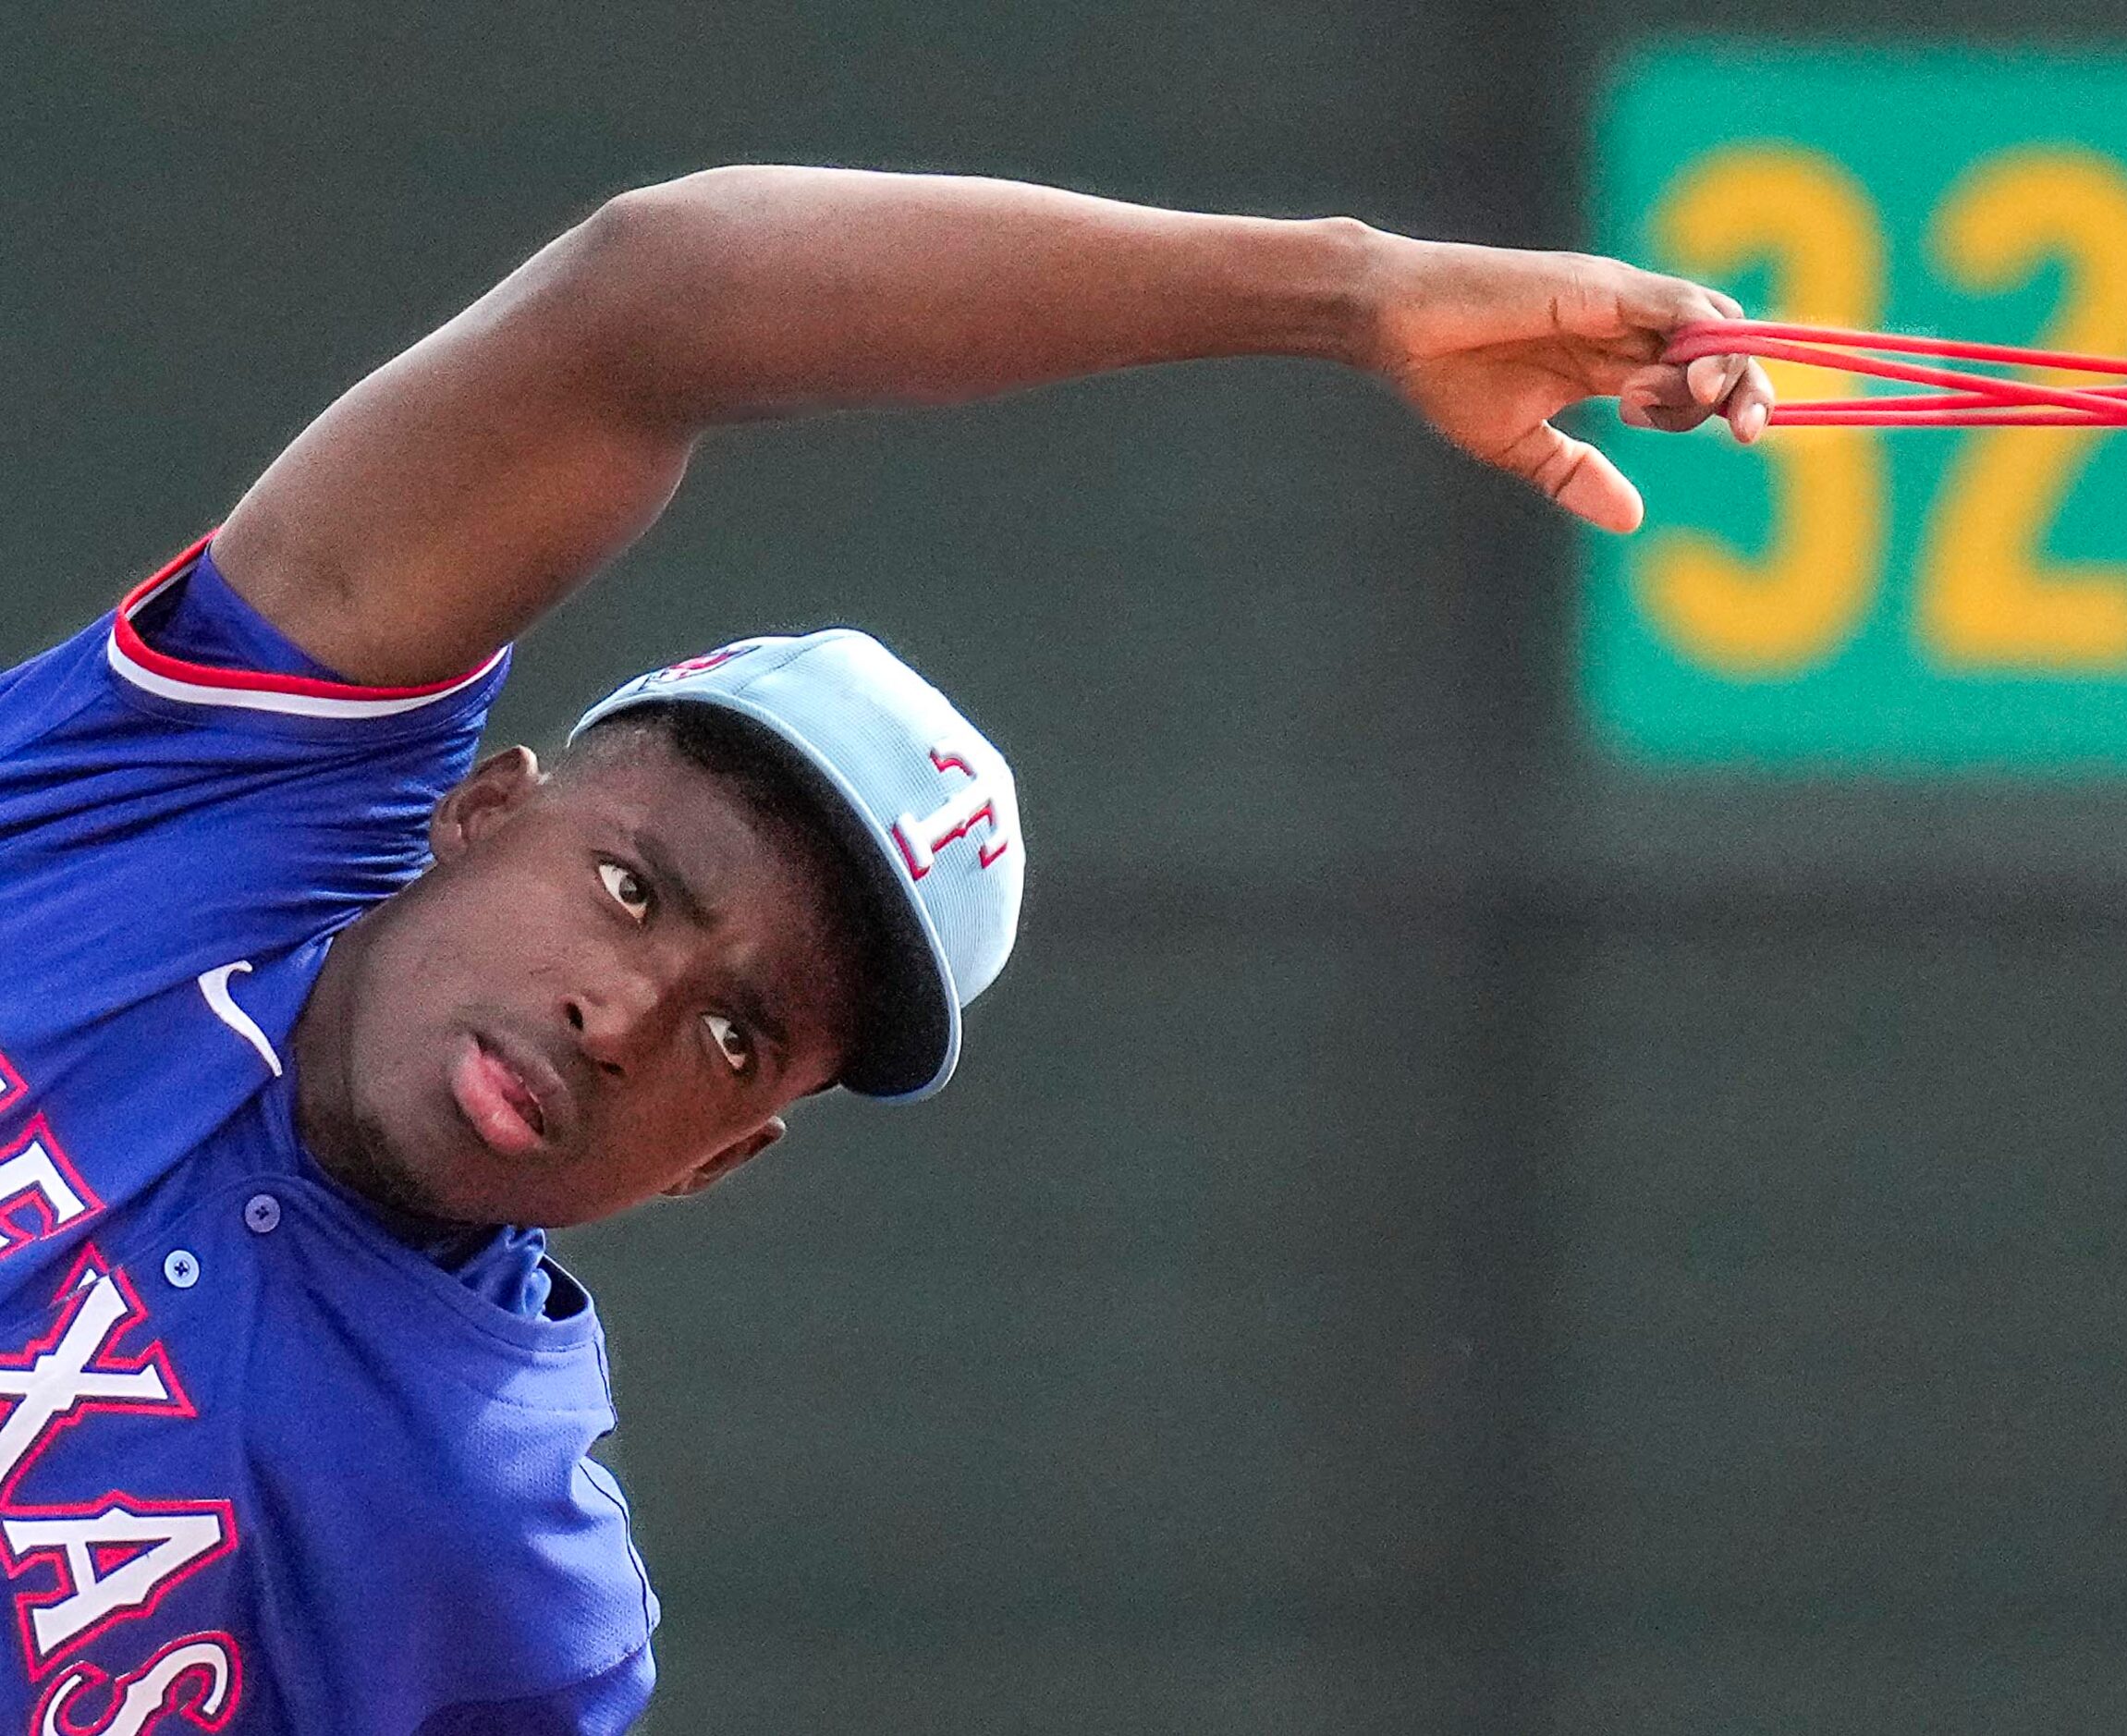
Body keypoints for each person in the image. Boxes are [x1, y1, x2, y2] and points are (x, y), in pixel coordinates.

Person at [0, 166, 1772, 1733]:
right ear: (483, 809)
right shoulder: (185, 802)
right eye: (634, 887)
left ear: (728, 1156)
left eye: (738, 1036)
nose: (625, 1014)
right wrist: (1347, 292)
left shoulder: (493, 1582)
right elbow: (654, 301)